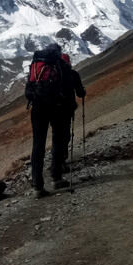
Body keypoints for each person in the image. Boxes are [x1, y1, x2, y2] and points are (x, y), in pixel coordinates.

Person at [28, 43, 86, 198]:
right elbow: (69, 90)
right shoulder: (63, 67)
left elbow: (29, 88)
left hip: (37, 109)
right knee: (58, 141)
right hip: (56, 109)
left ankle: (37, 187)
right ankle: (56, 178)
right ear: (59, 54)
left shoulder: (35, 65)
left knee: (37, 145)